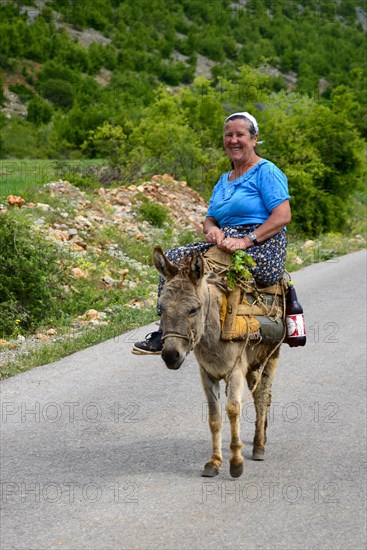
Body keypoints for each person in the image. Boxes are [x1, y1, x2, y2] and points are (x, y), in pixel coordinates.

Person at [132, 111, 291, 355]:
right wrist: (213, 231)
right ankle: (166, 331)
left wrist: (245, 241)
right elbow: (209, 219)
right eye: (229, 135)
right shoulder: (224, 179)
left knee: (207, 274)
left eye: (240, 134)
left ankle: (208, 329)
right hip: (225, 242)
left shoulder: (266, 171)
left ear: (254, 138)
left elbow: (282, 216)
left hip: (262, 245)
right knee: (172, 260)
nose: (234, 140)